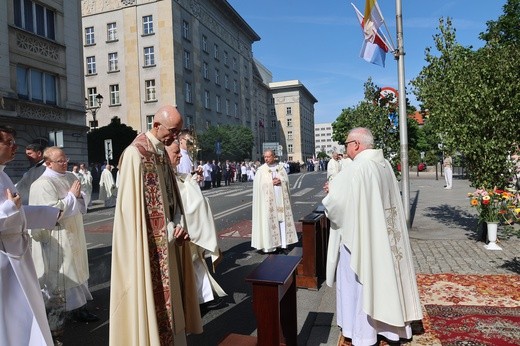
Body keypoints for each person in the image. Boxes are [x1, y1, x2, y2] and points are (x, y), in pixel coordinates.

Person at [110, 105, 202, 345]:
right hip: (149, 245)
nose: (175, 136)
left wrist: (179, 222)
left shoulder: (161, 152)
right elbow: (133, 213)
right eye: (172, 131)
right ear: (156, 125)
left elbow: (172, 198)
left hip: (168, 241)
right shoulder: (135, 153)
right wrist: (170, 229)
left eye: (178, 131)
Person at [322, 128, 422, 345]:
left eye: (347, 142)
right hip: (383, 238)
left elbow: (337, 205)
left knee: (359, 283)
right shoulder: (383, 164)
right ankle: (391, 329)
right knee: (386, 279)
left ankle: (361, 333)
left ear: (356, 144)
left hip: (361, 240)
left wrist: (331, 192)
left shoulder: (358, 166)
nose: (346, 147)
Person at [0, 126, 60, 346]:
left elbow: (20, 212)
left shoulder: (3, 174)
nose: (16, 147)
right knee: (11, 319)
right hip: (5, 259)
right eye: (9, 142)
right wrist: (8, 209)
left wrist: (54, 213)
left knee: (25, 315)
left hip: (16, 254)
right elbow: (11, 210)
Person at [29, 146, 99, 331]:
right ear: (48, 163)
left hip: (74, 232)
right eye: (60, 161)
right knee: (65, 274)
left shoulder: (70, 177)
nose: (65, 163)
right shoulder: (42, 184)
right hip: (57, 237)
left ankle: (77, 309)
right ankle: (59, 314)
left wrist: (78, 197)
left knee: (77, 271)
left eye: (65, 159)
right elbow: (50, 213)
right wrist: (71, 196)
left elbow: (83, 198)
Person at [166, 141, 226, 307]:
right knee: (190, 265)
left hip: (188, 228)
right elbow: (184, 201)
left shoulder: (175, 174)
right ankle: (198, 300)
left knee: (195, 263)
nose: (180, 155)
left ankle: (203, 298)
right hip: (180, 229)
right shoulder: (165, 177)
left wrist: (192, 180)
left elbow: (187, 194)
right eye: (176, 152)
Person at [251, 149, 298, 254]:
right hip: (268, 202)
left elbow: (286, 180)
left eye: (268, 157)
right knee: (269, 222)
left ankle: (283, 244)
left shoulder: (280, 168)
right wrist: (270, 182)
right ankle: (270, 246)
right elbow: (259, 186)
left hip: (280, 198)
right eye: (265, 157)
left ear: (274, 156)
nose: (266, 159)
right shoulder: (261, 170)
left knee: (282, 221)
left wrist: (281, 180)